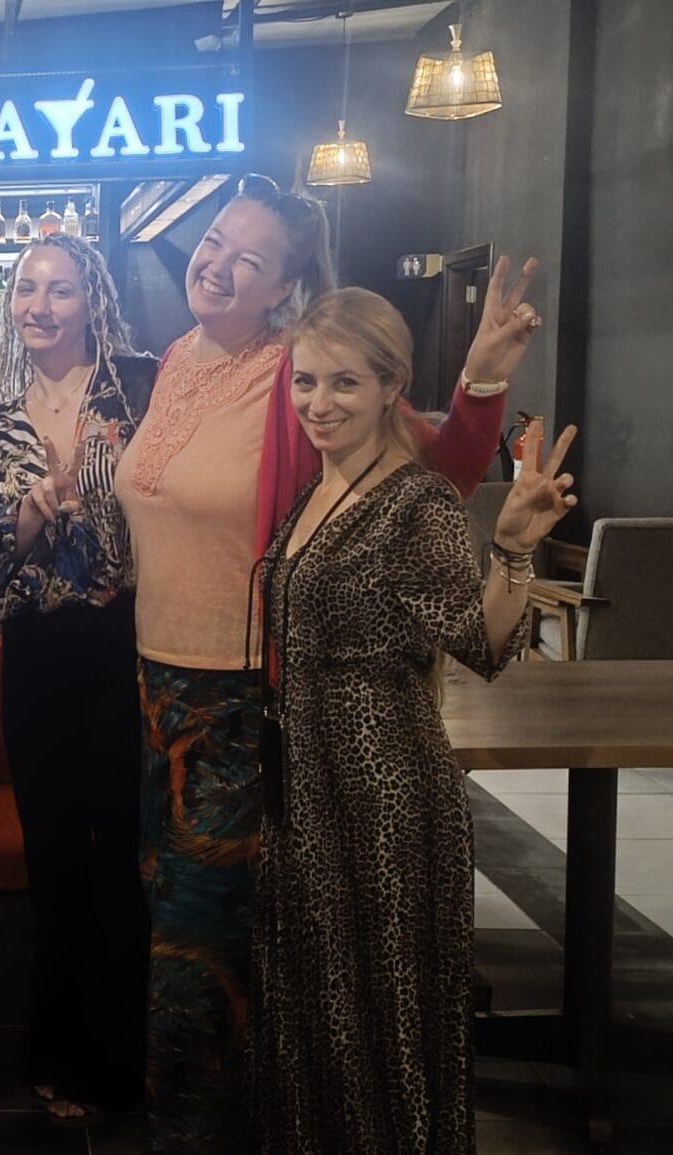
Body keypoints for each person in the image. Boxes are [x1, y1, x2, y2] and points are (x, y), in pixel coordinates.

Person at [112, 175, 516, 1151]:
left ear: (285, 288)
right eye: (214, 242)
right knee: (176, 926)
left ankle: (199, 1139)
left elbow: (428, 471)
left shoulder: (294, 375)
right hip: (158, 696)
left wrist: (481, 385)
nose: (217, 265)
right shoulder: (172, 361)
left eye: (248, 259)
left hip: (239, 702)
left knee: (198, 957)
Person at [254, 287, 572, 1152]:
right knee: (319, 1008)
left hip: (385, 795)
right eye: (306, 381)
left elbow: (481, 643)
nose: (320, 402)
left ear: (391, 386)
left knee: (384, 1017)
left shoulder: (416, 501)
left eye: (344, 383)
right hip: (307, 790)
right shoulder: (318, 489)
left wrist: (512, 550)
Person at [0, 233, 153, 1129]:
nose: (39, 306)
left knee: (116, 850)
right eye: (26, 288)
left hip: (123, 642)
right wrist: (33, 515)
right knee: (51, 851)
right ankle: (55, 1045)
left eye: (60, 289)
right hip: (36, 649)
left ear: (94, 300)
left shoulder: (137, 391)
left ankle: (120, 1054)